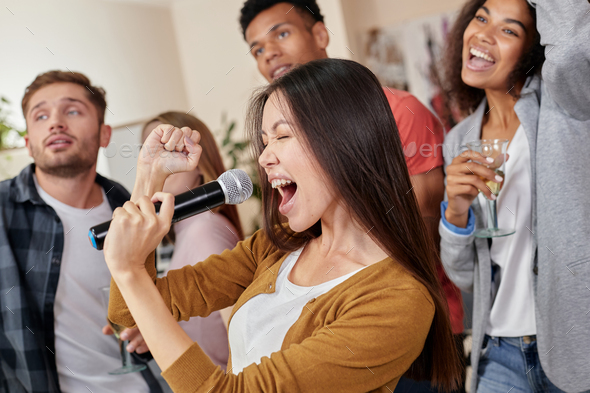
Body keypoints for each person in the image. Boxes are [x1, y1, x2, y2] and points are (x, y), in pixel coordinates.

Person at [103, 58, 463, 392]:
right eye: (263, 141)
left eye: (282, 136)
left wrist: (129, 271)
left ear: (347, 140)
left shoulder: (397, 302)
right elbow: (129, 311)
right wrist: (148, 181)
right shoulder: (279, 245)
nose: (264, 157)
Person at [239, 3, 466, 389]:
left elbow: (421, 230)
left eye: (281, 34)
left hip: (408, 324)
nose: (270, 53)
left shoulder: (400, 112)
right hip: (334, 326)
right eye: (257, 48)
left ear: (321, 36)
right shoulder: (282, 141)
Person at [439, 0, 590, 391]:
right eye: (482, 18)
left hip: (576, 346)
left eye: (509, 30)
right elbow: (466, 277)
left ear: (531, 51)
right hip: (500, 350)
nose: (484, 34)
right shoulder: (459, 140)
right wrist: (455, 213)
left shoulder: (564, 108)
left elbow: (574, 47)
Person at [0, 71, 162, 392]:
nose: (56, 123)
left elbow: (148, 298)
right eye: (41, 115)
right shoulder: (3, 211)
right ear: (29, 144)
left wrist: (150, 322)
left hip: (145, 384)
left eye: (72, 110)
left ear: (104, 134)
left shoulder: (126, 206)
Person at [142, 112, 244, 369]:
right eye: (150, 152)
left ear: (199, 162)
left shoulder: (204, 231)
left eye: (169, 150)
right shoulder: (187, 231)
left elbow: (244, 341)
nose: (159, 163)